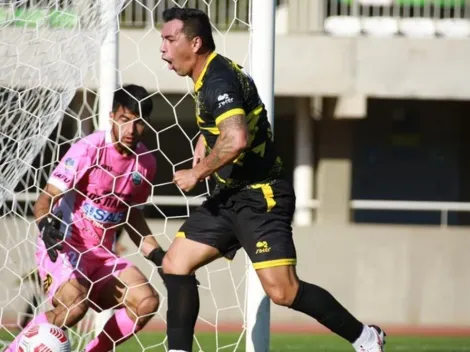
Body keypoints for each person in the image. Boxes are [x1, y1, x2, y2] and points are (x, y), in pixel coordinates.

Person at [159, 7, 386, 352]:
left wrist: (198, 172)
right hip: (230, 196)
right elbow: (240, 118)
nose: (162, 48)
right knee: (175, 263)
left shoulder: (217, 80)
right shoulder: (212, 74)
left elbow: (236, 139)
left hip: (261, 197)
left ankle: (366, 338)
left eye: (169, 39)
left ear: (195, 42)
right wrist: (206, 139)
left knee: (283, 292)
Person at [6, 84, 166, 352]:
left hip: (102, 256)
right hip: (65, 248)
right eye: (125, 120)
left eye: (138, 124)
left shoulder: (145, 163)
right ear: (112, 116)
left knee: (146, 301)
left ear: (146, 125)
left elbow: (133, 216)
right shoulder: (89, 149)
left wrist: (161, 257)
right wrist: (46, 227)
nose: (130, 130)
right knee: (74, 306)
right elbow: (45, 199)